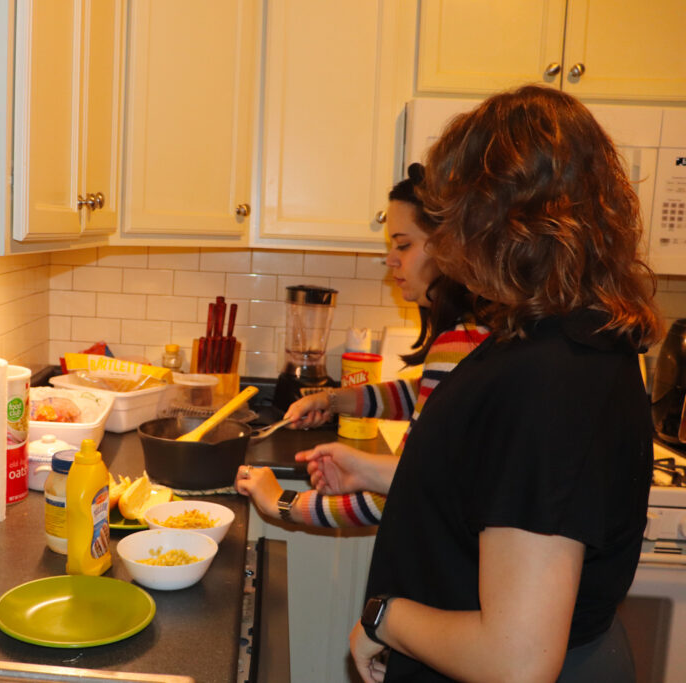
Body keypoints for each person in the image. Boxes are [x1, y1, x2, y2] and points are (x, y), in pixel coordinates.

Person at [330, 85, 661, 682]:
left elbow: (517, 660)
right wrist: (386, 475)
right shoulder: (565, 340)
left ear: (501, 218)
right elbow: (496, 488)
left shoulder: (549, 378)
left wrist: (386, 617)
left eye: (455, 209)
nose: (449, 234)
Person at [234, 164, 489, 528]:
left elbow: (401, 488)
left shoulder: (460, 341)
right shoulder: (477, 331)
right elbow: (425, 394)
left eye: (404, 244)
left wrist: (282, 501)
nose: (391, 259)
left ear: (449, 246)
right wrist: (335, 400)